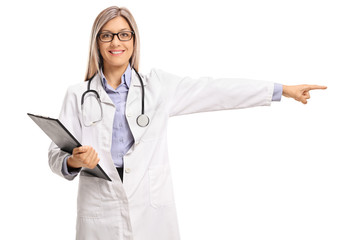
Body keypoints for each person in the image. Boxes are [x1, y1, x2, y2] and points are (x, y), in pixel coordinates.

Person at [48, 6, 327, 240]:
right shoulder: (78, 94)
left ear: (134, 41)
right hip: (100, 214)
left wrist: (281, 90)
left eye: (123, 34)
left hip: (151, 210)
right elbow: (55, 154)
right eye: (107, 35)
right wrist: (74, 161)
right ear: (97, 42)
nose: (116, 42)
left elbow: (216, 91)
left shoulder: (158, 86)